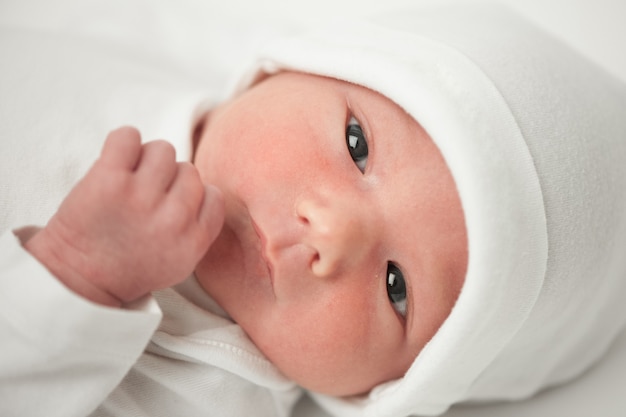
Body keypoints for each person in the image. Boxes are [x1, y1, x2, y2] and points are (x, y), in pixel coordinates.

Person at [2, 4, 626, 417]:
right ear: (292, 70)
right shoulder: (157, 43)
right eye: (357, 145)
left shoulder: (208, 391)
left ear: (385, 390)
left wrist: (77, 278)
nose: (332, 233)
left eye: (396, 287)